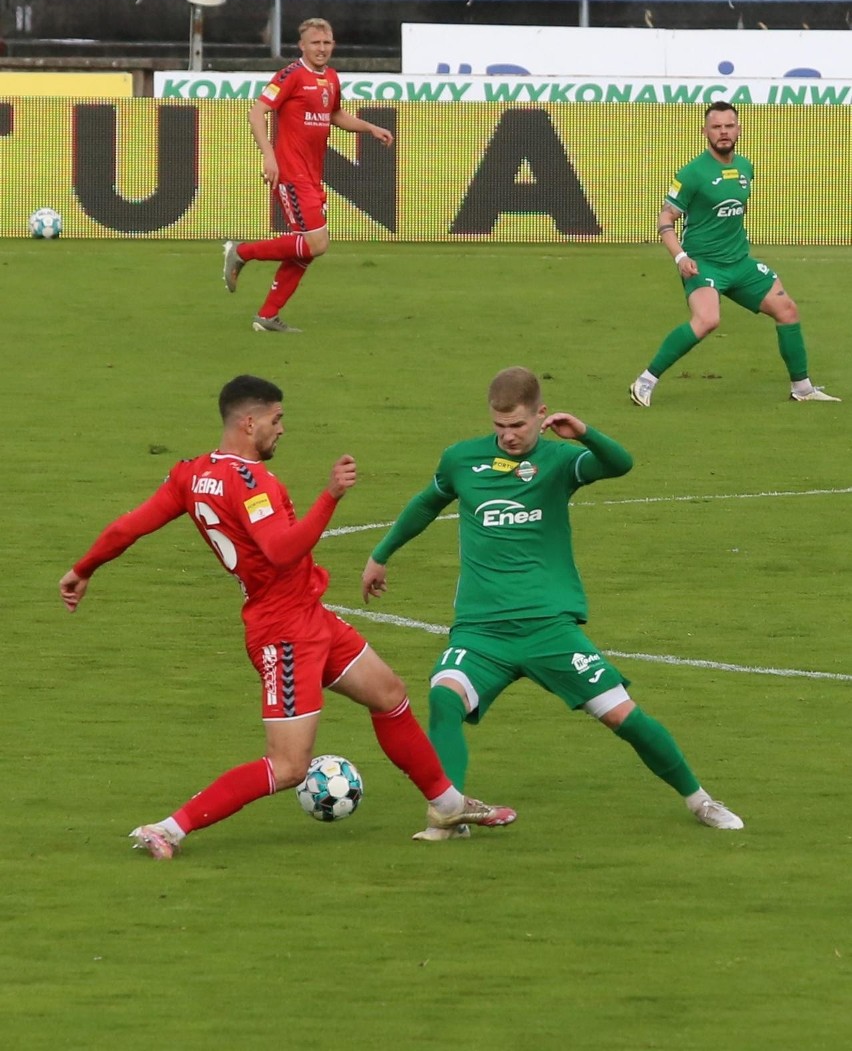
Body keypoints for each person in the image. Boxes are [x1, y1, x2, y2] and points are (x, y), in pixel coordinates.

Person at [59, 375, 515, 860]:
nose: (282, 430)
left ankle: (447, 806)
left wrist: (83, 568)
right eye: (276, 420)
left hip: (308, 616)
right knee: (289, 764)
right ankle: (167, 829)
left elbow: (130, 526)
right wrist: (330, 497)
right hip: (285, 634)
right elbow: (280, 551)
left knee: (389, 694)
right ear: (249, 421)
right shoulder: (252, 482)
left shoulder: (190, 475)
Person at [361, 366, 744, 841]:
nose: (508, 436)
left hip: (549, 628)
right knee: (443, 698)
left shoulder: (561, 461)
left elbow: (619, 463)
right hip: (481, 631)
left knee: (622, 714)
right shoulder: (462, 460)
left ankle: (700, 800)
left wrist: (584, 432)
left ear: (541, 414)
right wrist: (380, 555)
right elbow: (425, 503)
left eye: (518, 425)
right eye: (499, 427)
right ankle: (449, 814)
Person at [629, 101, 840, 407]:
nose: (723, 132)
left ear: (738, 130)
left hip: (739, 263)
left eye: (729, 126)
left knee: (788, 311)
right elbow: (665, 218)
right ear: (705, 132)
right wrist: (680, 257)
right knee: (707, 319)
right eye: (717, 127)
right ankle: (644, 382)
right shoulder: (692, 173)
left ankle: (803, 388)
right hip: (704, 265)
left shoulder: (745, 167)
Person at [222, 18, 394, 334]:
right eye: (315, 43)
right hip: (290, 174)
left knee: (305, 251)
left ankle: (267, 316)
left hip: (312, 177)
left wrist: (369, 127)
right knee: (316, 243)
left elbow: (336, 114)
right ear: (302, 45)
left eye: (327, 43)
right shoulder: (290, 75)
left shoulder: (330, 78)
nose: (322, 49)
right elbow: (257, 111)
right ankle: (242, 252)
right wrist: (269, 156)